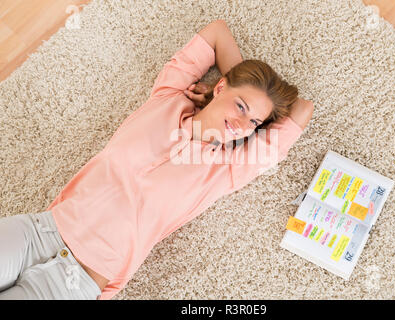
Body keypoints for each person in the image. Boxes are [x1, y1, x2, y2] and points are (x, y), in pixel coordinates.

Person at [0, 20, 313, 300]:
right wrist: (243, 82)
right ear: (220, 86)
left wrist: (256, 107)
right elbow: (217, 32)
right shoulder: (169, 96)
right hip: (42, 230)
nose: (243, 125)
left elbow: (302, 109)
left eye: (255, 123)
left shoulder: (229, 168)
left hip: (79, 277)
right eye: (241, 106)